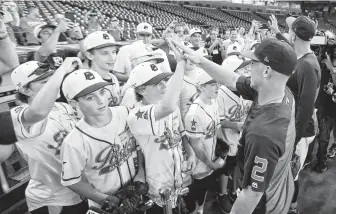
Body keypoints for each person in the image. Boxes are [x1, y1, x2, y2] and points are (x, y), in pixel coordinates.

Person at [172, 38, 297, 214]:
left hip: (265, 205)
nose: (249, 68)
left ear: (267, 70)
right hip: (280, 187)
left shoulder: (264, 133)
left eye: (253, 62)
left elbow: (251, 195)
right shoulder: (282, 92)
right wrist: (200, 60)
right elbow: (232, 79)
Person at [7, 58, 88, 214]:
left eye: (53, 79)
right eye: (45, 82)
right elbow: (38, 112)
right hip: (52, 198)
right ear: (25, 90)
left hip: (80, 190)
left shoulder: (63, 107)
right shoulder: (20, 116)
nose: (54, 84)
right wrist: (62, 69)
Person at [126, 40, 195, 214]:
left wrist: (191, 152)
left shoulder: (169, 105)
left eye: (164, 80)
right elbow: (167, 107)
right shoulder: (136, 115)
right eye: (157, 83)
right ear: (141, 89)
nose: (164, 86)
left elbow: (180, 132)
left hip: (178, 179)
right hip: (156, 188)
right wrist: (180, 64)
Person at [60, 69, 144, 208]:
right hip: (107, 203)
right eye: (90, 97)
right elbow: (72, 180)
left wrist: (141, 172)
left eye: (102, 92)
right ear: (74, 103)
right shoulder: (74, 142)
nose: (101, 101)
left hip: (137, 192)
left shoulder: (125, 113)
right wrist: (100, 198)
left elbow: (139, 145)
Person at [269, 15, 321, 214]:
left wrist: (292, 141)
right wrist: (276, 32)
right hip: (294, 126)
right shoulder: (302, 56)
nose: (288, 32)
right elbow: (290, 49)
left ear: (295, 34)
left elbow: (306, 109)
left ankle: (291, 208)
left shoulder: (308, 65)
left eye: (289, 30)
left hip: (300, 130)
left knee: (290, 175)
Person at [184, 71, 224, 214]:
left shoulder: (213, 101)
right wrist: (211, 163)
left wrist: (221, 148)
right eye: (212, 84)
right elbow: (195, 146)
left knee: (205, 190)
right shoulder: (194, 113)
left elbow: (217, 128)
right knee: (196, 194)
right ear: (201, 87)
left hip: (211, 157)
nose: (217, 87)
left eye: (218, 83)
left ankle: (200, 208)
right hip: (200, 165)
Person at [216, 54, 252, 213]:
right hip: (227, 137)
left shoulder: (247, 88)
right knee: (226, 167)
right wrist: (237, 124)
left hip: (243, 136)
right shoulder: (221, 92)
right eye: (241, 68)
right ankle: (222, 193)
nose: (246, 70)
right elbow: (219, 120)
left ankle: (234, 189)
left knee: (239, 163)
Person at [306, 52, 336, 172]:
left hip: (331, 110)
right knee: (319, 137)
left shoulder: (332, 70)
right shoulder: (322, 70)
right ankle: (318, 161)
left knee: (325, 137)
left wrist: (332, 69)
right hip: (322, 109)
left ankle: (322, 160)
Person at [82, 31, 121, 106]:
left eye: (114, 52)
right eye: (105, 53)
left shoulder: (113, 77)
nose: (112, 57)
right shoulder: (86, 82)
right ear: (90, 55)